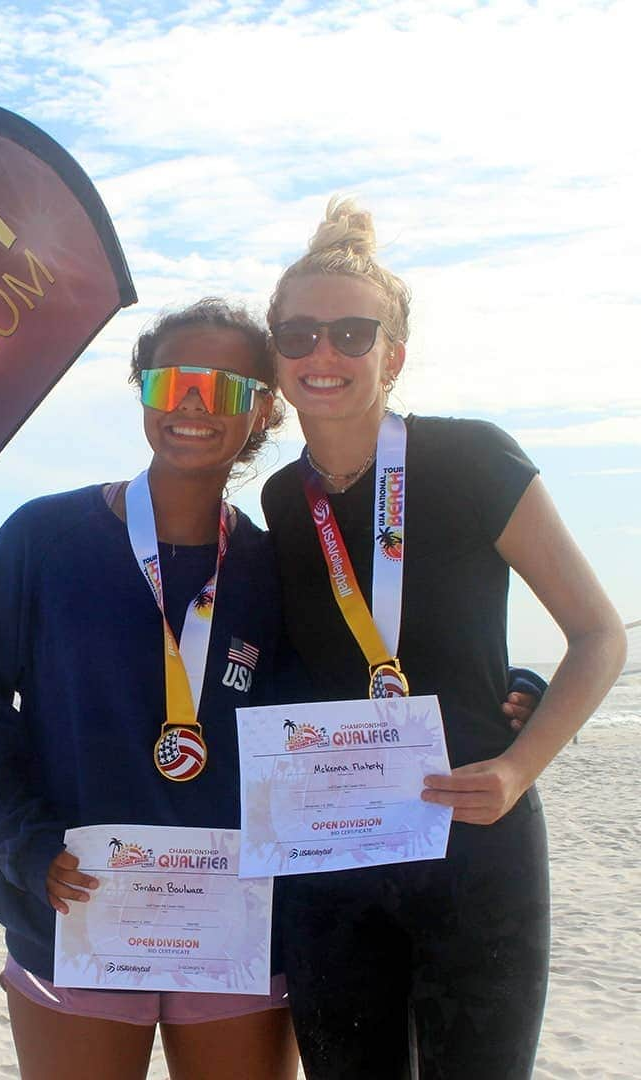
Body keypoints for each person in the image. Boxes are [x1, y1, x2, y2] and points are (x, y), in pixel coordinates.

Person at [259, 197, 627, 1079]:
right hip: (334, 854)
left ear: (395, 354)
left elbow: (599, 635)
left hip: (474, 837)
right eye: (300, 333)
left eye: (354, 333)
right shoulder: (280, 499)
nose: (325, 353)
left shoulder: (471, 459)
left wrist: (517, 766)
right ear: (275, 351)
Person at [0, 299, 301, 1080]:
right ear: (143, 390)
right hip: (74, 908)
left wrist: (497, 688)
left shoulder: (275, 568)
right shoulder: (43, 537)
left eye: (226, 386)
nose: (194, 404)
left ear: (264, 406)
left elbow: (337, 705)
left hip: (237, 925)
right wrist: (24, 844)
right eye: (173, 381)